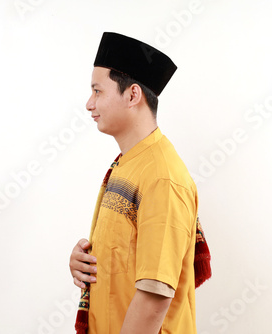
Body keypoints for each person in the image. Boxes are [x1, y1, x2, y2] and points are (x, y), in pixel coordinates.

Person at [69, 32, 208, 334]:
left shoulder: (162, 177)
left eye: (98, 92)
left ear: (132, 95)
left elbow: (154, 296)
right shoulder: (127, 164)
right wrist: (88, 261)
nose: (89, 104)